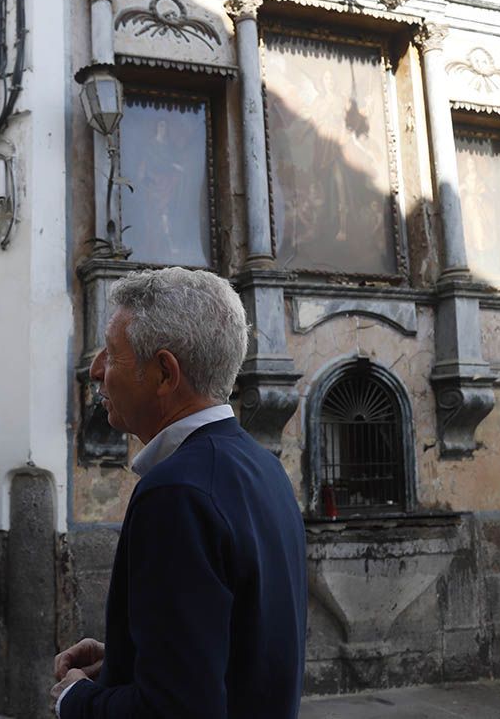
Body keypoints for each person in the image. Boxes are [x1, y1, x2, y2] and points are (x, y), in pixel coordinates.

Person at [51, 267, 307, 718]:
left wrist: (76, 700)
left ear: (165, 373)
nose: (95, 371)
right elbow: (241, 648)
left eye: (112, 355)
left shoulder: (176, 492)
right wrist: (127, 661)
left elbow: (173, 710)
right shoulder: (261, 464)